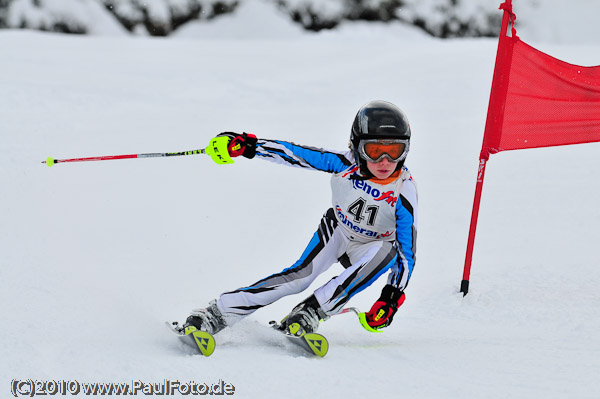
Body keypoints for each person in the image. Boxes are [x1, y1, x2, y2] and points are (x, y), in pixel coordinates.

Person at [182, 100, 417, 337]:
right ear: (357, 147)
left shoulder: (404, 190)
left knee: (388, 252)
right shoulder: (345, 163)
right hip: (339, 230)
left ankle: (311, 312)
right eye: (374, 151)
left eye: (394, 150)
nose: (385, 161)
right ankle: (217, 312)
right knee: (299, 278)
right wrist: (248, 146)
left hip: (371, 247)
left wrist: (391, 297)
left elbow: (407, 253)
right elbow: (296, 154)